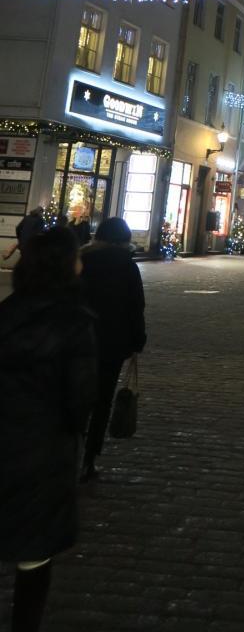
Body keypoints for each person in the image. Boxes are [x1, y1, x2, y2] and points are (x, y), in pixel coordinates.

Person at [0, 228, 98, 632]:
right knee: (34, 557)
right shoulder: (74, 323)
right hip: (42, 451)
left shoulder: (6, 312)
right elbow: (81, 399)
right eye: (77, 257)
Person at [79, 217, 147, 481]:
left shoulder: (81, 260)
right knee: (103, 400)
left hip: (80, 338)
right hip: (112, 342)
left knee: (77, 395)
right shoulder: (127, 267)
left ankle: (71, 447)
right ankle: (89, 458)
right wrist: (137, 340)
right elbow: (136, 307)